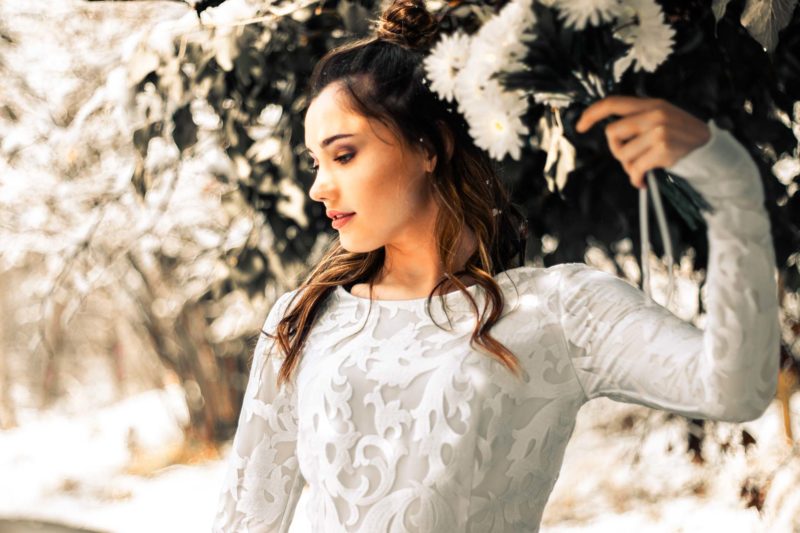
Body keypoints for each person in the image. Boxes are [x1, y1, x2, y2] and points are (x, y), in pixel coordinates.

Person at [212, 0, 780, 531]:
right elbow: (245, 518)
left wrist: (730, 186)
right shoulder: (302, 319)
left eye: (344, 154)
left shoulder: (556, 311)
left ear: (430, 146)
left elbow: (733, 388)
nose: (319, 186)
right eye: (316, 162)